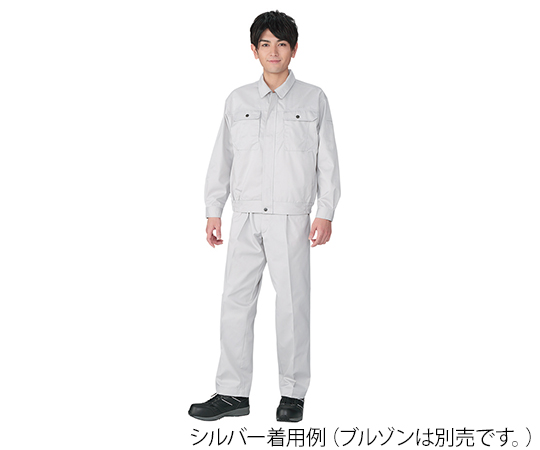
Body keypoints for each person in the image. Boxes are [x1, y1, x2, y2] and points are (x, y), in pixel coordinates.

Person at [188, 10, 341, 422]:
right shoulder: (238, 100)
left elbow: (328, 160)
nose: (274, 52)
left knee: (292, 304)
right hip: (245, 216)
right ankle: (231, 393)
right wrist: (213, 210)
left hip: (291, 217)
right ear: (254, 50)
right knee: (235, 302)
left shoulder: (313, 99)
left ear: (294, 49)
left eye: (282, 44)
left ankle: (293, 394)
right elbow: (222, 157)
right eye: (266, 44)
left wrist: (325, 211)